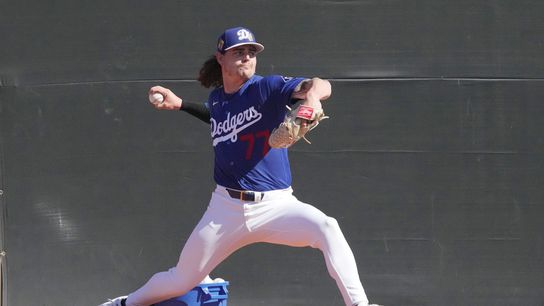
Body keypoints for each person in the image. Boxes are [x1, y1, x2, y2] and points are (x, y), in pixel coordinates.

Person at [100, 26, 380, 306]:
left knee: (326, 227)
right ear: (220, 58)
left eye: (250, 52)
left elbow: (320, 84)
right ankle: (123, 304)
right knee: (181, 279)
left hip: (276, 205)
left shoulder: (266, 87)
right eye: (238, 52)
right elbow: (218, 118)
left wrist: (312, 98)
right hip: (225, 209)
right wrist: (182, 104)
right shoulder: (218, 99)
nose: (246, 57)